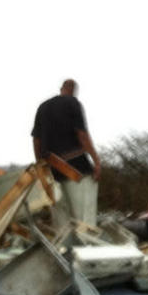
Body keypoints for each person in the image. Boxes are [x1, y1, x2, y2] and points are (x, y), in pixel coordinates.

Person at [31, 79, 101, 227]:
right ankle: (85, 247)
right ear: (73, 90)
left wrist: (40, 166)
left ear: (61, 88)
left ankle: (63, 248)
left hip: (51, 170)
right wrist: (96, 162)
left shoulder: (42, 107)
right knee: (84, 219)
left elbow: (36, 140)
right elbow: (82, 135)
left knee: (61, 222)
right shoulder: (73, 103)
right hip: (76, 167)